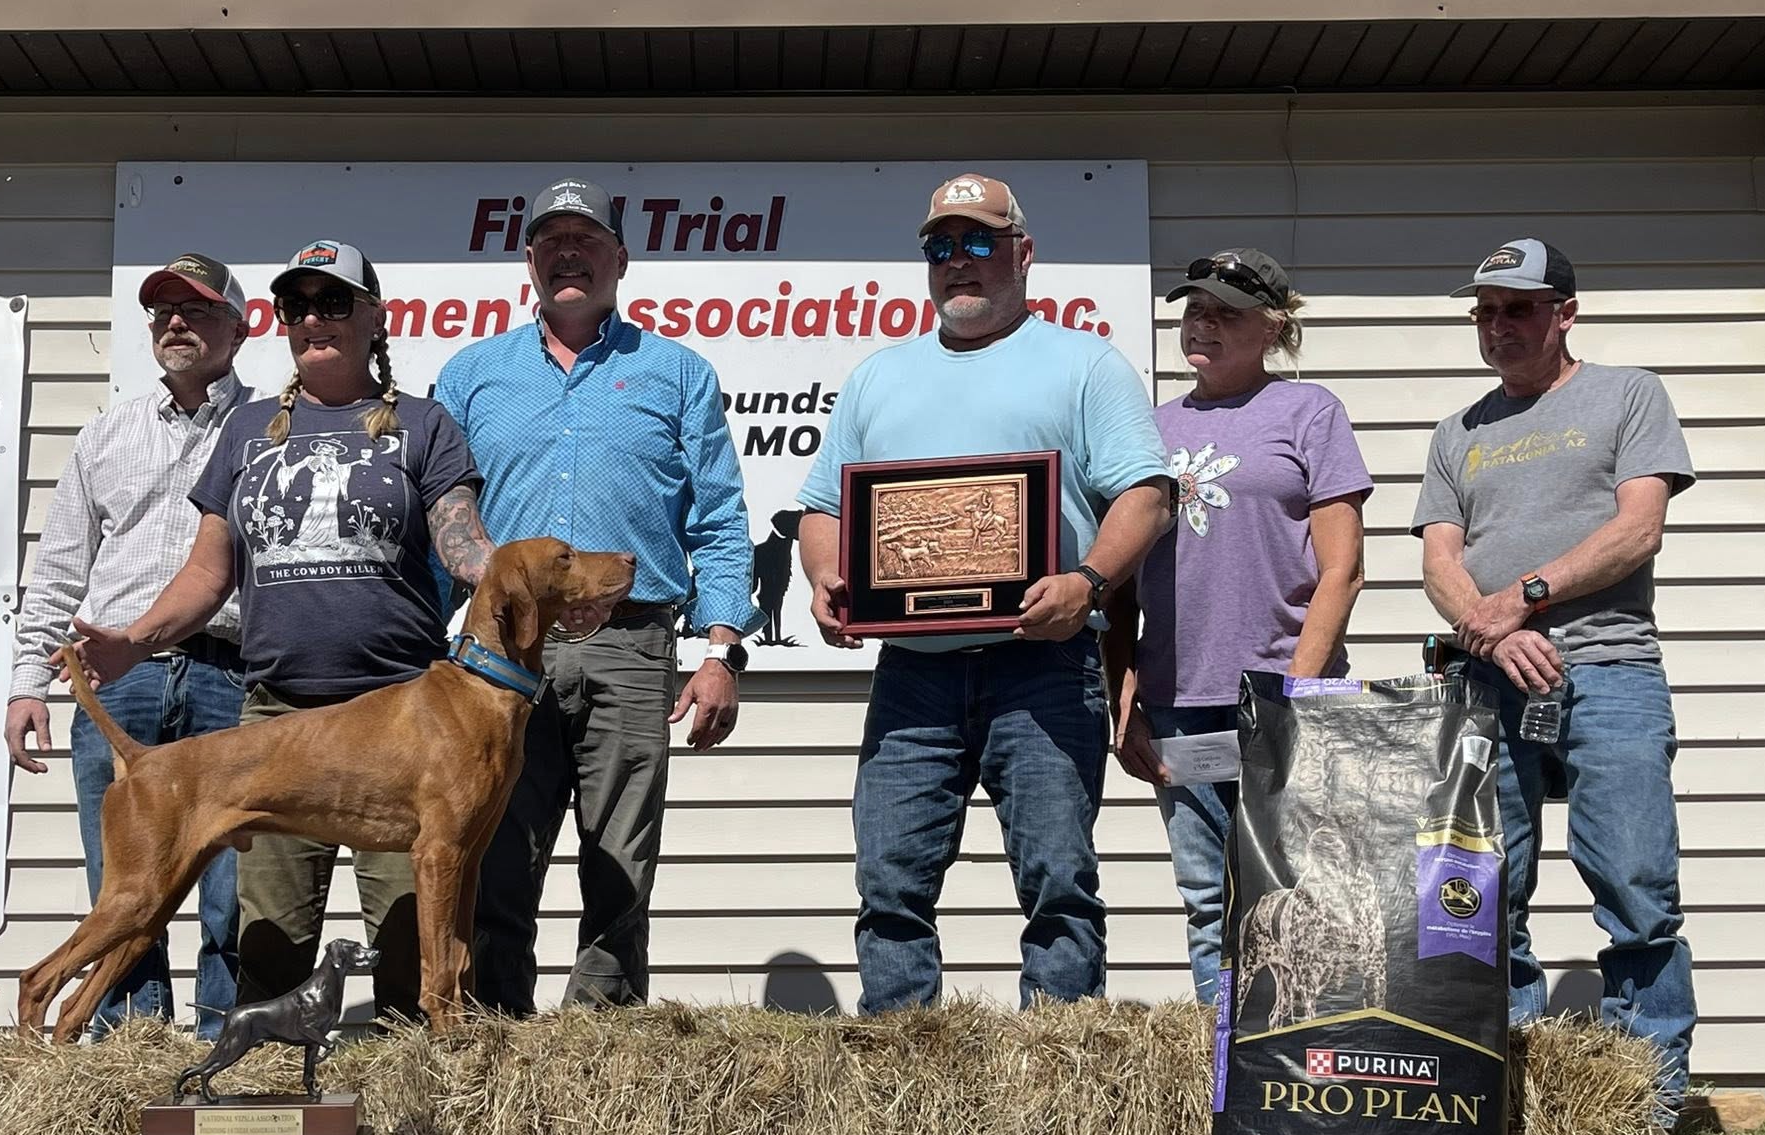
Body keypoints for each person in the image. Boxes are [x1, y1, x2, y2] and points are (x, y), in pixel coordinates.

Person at [69, 239, 494, 1022]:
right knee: (265, 951)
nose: (311, 319)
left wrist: (516, 578)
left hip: (401, 719)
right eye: (295, 306)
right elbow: (207, 575)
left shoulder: (427, 425)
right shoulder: (248, 430)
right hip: (279, 718)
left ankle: (411, 1124)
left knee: (408, 951)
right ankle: (265, 1122)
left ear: (374, 317)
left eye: (332, 302)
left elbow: (461, 541)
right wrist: (133, 641)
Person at [795, 172, 1173, 1014]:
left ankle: (1061, 1067)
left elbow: (1146, 494)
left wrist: (1087, 581)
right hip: (912, 670)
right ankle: (900, 1063)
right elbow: (822, 507)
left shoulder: (1085, 363)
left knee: (1058, 885)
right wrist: (826, 577)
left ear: (1022, 253)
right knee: (889, 882)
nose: (957, 264)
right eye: (940, 247)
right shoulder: (878, 377)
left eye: (977, 243)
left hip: (1041, 664)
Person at [434, 176, 756, 1016]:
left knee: (621, 855)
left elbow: (720, 519)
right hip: (503, 653)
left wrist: (721, 652)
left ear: (620, 258)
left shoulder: (677, 373)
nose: (567, 254)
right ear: (529, 261)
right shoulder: (471, 374)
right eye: (550, 242)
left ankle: (599, 1045)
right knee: (497, 848)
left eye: (586, 241)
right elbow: (439, 516)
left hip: (634, 643)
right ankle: (496, 1034)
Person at [1413, 237, 1697, 1112]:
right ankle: (1511, 1109)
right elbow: (1438, 562)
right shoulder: (1460, 431)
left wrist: (1523, 598)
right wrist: (1494, 636)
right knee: (1485, 895)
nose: (1497, 327)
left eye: (1518, 309)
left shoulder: (1627, 394)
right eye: (1485, 312)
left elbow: (1637, 531)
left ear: (1565, 314)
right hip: (1488, 683)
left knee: (1636, 888)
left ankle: (1646, 1112)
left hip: (1608, 669)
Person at [1102, 249, 1371, 1008]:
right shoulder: (1148, 428)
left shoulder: (1309, 413)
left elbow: (1342, 570)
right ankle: (1227, 1066)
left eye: (1225, 313)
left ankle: (1299, 1060)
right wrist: (1123, 685)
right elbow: (1116, 581)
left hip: (1284, 695)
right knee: (1204, 893)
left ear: (1273, 328)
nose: (1204, 326)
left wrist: (1298, 693)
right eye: (1195, 311)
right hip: (1181, 699)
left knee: (1297, 891)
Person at [6, 252, 251, 1040]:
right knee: (123, 886)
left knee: (235, 888)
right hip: (117, 682)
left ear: (239, 328)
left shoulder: (271, 428)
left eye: (197, 310)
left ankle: (226, 1052)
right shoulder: (106, 434)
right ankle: (131, 1052)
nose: (175, 323)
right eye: (162, 312)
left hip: (232, 672)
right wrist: (24, 686)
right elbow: (56, 573)